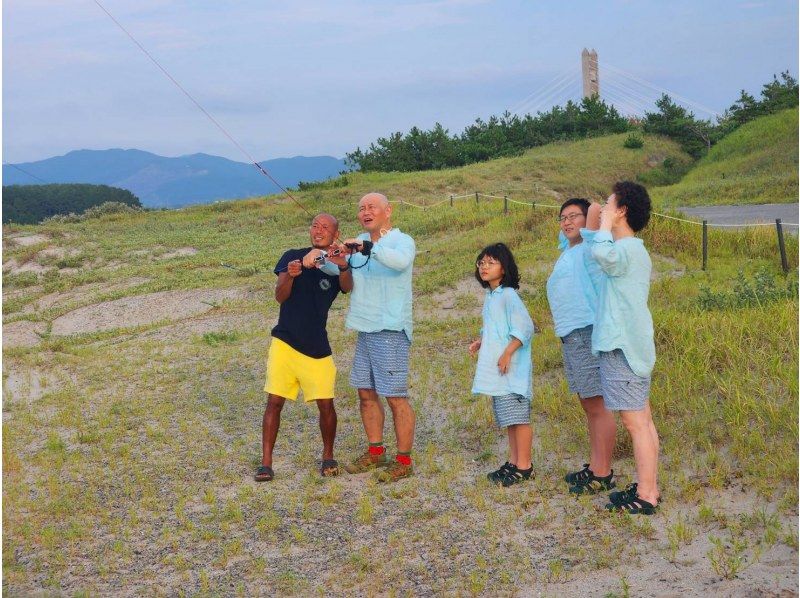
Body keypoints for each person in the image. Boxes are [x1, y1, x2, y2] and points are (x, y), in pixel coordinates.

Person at [254, 213, 353, 482]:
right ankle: (266, 463)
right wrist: (290, 275)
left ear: (336, 233)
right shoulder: (292, 256)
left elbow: (348, 287)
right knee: (274, 402)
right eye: (315, 226)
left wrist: (343, 265)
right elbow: (279, 296)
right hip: (284, 341)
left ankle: (328, 456)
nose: (318, 231)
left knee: (326, 404)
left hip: (317, 344)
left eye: (325, 227)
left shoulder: (335, 263)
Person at [583, 181, 660, 514]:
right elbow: (597, 251)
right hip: (630, 345)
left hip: (622, 346)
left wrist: (603, 222)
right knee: (643, 419)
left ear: (622, 210)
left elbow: (601, 253)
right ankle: (648, 487)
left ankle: (646, 496)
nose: (604, 207)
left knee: (636, 422)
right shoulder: (631, 250)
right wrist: (599, 222)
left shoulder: (626, 250)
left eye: (609, 203)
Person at [341, 192, 416, 483]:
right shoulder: (359, 241)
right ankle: (375, 452)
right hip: (365, 327)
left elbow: (399, 262)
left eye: (371, 206)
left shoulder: (401, 240)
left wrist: (369, 247)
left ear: (388, 210)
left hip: (390, 329)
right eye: (361, 208)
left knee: (396, 396)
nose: (365, 211)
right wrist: (333, 259)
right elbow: (343, 275)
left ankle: (404, 460)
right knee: (365, 392)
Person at [546, 198, 617, 495]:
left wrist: (589, 212)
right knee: (589, 405)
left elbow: (596, 209)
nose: (566, 222)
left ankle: (603, 472)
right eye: (562, 218)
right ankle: (595, 464)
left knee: (599, 406)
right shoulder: (567, 252)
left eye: (572, 216)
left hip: (586, 332)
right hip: (571, 336)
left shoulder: (590, 246)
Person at [469, 243, 535, 487]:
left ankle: (525, 466)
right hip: (500, 371)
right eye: (481, 262)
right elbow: (496, 327)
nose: (484, 267)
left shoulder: (508, 295)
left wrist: (508, 353)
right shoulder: (491, 295)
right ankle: (514, 461)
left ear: (504, 268)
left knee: (519, 418)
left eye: (491, 262)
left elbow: (524, 328)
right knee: (509, 418)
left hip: (512, 369)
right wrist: (481, 341)